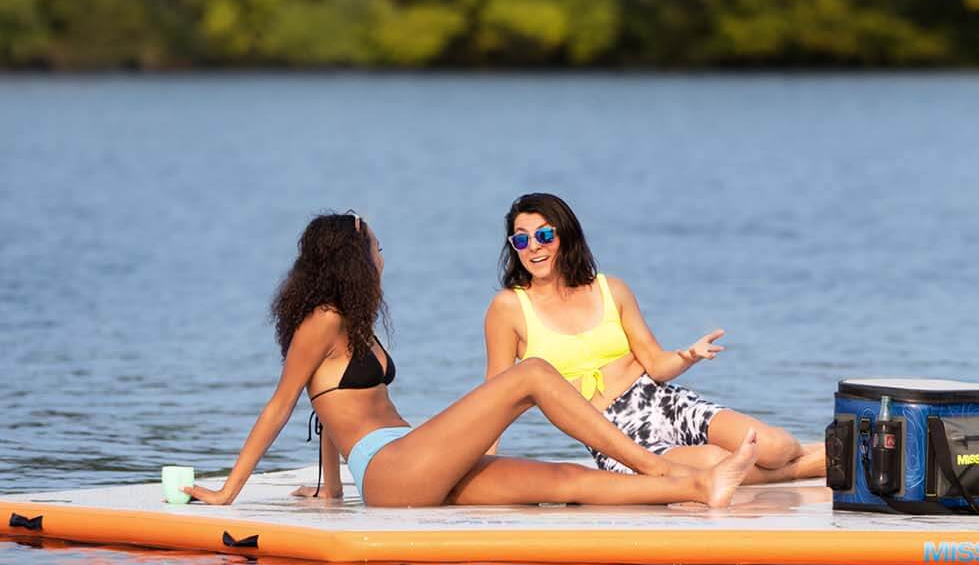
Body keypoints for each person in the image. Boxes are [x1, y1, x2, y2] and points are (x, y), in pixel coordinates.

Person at [186, 212, 756, 511]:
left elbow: (334, 407)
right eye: (377, 248)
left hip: (413, 462)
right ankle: (657, 467)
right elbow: (283, 405)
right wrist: (227, 492)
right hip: (391, 473)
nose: (384, 256)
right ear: (354, 260)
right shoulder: (322, 321)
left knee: (561, 479)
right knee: (530, 374)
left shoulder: (352, 321)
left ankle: (701, 489)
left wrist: (332, 490)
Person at [482, 193, 824, 484]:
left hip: (660, 400)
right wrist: (476, 468)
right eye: (522, 240)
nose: (534, 248)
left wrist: (687, 355)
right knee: (713, 462)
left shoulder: (611, 289)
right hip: (613, 435)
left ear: (566, 236)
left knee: (774, 446)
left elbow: (656, 364)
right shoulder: (508, 308)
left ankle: (823, 455)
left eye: (544, 236)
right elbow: (495, 400)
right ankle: (820, 463)